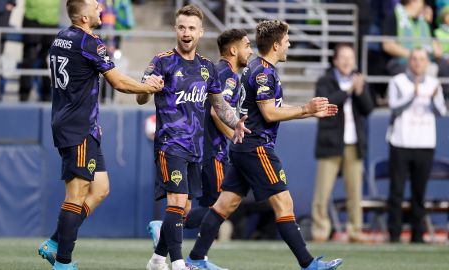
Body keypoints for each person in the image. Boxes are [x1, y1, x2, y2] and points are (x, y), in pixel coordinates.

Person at [185, 20, 342, 270]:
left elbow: (271, 111)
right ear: (277, 45)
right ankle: (308, 263)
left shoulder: (259, 68)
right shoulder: (262, 72)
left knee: (226, 204)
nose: (289, 44)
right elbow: (269, 113)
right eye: (287, 40)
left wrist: (309, 112)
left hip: (245, 146)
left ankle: (195, 258)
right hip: (256, 147)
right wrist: (305, 109)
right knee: (284, 203)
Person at [36, 1, 163, 269]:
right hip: (78, 126)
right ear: (83, 17)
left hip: (74, 122)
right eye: (95, 6)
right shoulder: (89, 42)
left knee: (101, 189)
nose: (101, 8)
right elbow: (117, 82)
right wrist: (146, 87)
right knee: (77, 193)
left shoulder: (61, 37)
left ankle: (56, 242)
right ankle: (63, 262)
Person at [136, 5, 249, 270]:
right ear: (175, 29)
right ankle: (178, 264)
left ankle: (156, 259)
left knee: (184, 209)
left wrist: (236, 122)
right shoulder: (161, 61)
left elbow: (220, 105)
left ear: (201, 32)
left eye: (191, 28)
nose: (186, 33)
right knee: (176, 203)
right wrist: (146, 89)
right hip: (170, 144)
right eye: (182, 27)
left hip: (196, 149)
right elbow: (141, 97)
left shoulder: (207, 67)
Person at [311, 43, 374, 243]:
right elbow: (326, 103)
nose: (347, 61)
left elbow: (368, 109)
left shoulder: (358, 81)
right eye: (343, 57)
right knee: (323, 191)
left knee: (355, 191)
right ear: (335, 60)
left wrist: (360, 91)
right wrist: (349, 91)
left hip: (353, 144)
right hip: (330, 143)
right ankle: (320, 230)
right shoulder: (325, 80)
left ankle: (355, 230)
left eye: (351, 57)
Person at [386, 48, 447, 243]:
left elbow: (441, 112)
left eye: (421, 59)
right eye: (414, 59)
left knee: (419, 192)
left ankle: (417, 235)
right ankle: (394, 234)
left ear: (427, 63)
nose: (418, 63)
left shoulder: (434, 83)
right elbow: (394, 107)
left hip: (425, 143)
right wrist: (413, 93)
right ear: (408, 62)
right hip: (401, 142)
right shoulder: (398, 81)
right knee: (396, 191)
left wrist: (435, 97)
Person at [382, 0, 442, 76]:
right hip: (401, 62)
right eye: (423, 3)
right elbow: (387, 45)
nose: (424, 7)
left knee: (443, 67)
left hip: (426, 63)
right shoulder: (395, 16)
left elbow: (438, 50)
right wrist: (414, 57)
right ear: (413, 1)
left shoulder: (424, 20)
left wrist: (429, 23)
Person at [19, 0, 61, 102]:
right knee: (29, 57)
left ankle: (46, 93)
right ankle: (24, 94)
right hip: (32, 18)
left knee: (47, 59)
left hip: (51, 20)